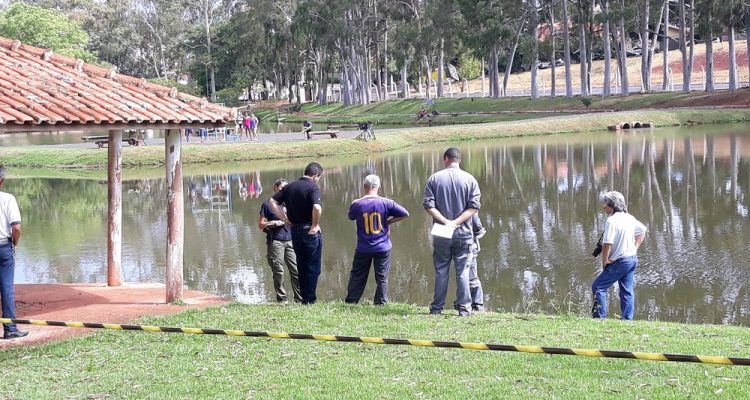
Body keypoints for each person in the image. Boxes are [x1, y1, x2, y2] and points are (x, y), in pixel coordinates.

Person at [423, 147, 481, 316]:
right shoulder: (470, 179)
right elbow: (473, 208)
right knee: (463, 271)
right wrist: (455, 222)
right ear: (459, 160)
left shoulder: (434, 178)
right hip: (463, 232)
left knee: (441, 270)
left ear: (445, 159)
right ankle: (464, 309)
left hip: (442, 230)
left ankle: (437, 308)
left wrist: (445, 221)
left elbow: (428, 205)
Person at [345, 174, 409, 305]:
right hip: (382, 246)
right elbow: (405, 213)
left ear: (364, 187)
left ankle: (352, 300)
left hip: (363, 247)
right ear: (378, 187)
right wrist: (388, 222)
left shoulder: (357, 204)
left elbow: (350, 216)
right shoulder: (386, 203)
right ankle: (380, 302)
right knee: (382, 276)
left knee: (357, 275)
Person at [269, 162, 324, 304]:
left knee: (301, 265)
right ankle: (309, 299)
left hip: (294, 231)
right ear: (315, 176)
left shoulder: (289, 187)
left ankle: (304, 298)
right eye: (319, 177)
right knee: (313, 266)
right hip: (309, 230)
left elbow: (272, 202)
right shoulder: (313, 187)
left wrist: (284, 219)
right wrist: (315, 224)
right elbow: (317, 207)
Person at [591, 191, 647, 320]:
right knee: (626, 291)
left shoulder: (612, 221)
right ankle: (627, 320)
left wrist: (604, 262)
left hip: (620, 261)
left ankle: (599, 319)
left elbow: (607, 244)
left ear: (612, 205)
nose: (603, 206)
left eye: (605, 203)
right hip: (632, 259)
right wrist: (635, 248)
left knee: (598, 287)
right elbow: (642, 230)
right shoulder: (629, 218)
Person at [259, 179, 302, 303]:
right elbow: (261, 225)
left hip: (291, 241)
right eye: (282, 188)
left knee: (296, 270)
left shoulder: (291, 203)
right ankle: (282, 299)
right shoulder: (267, 205)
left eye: (287, 188)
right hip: (276, 241)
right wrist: (272, 223)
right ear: (275, 188)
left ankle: (299, 299)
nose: (285, 191)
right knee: (278, 271)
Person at [0, 166, 27, 340]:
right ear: (2, 181)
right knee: (6, 289)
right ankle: (10, 329)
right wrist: (14, 244)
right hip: (3, 247)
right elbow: (16, 228)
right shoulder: (7, 199)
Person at [466, 213, 486, 312]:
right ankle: (477, 305)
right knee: (472, 276)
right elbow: (477, 226)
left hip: (444, 240)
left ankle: (437, 306)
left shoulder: (440, 197)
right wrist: (479, 231)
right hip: (467, 241)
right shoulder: (468, 197)